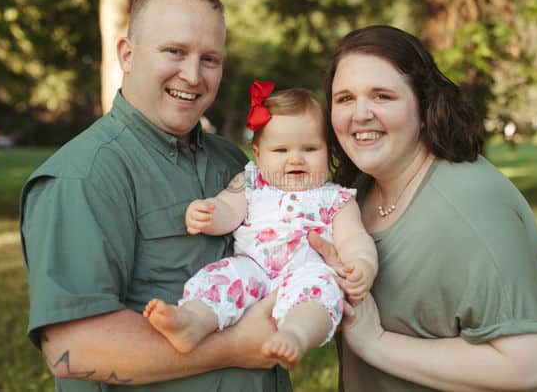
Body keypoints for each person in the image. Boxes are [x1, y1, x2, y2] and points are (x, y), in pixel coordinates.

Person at [19, 0, 292, 392]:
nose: (193, 75)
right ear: (127, 55)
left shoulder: (233, 162)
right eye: (174, 52)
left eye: (210, 59)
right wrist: (235, 347)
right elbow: (73, 348)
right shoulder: (84, 176)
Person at [308, 24, 537, 391]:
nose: (361, 114)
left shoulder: (473, 203)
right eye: (345, 98)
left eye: (382, 96)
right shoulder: (355, 195)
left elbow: (525, 364)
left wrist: (376, 342)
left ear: (424, 106)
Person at [143, 83, 377, 370]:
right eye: (280, 149)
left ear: (327, 151)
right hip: (252, 266)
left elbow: (354, 237)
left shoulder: (335, 198)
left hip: (306, 270)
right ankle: (192, 321)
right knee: (223, 279)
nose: (295, 158)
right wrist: (206, 213)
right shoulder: (250, 182)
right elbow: (228, 208)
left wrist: (362, 263)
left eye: (310, 148)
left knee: (320, 293)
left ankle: (296, 335)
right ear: (258, 154)